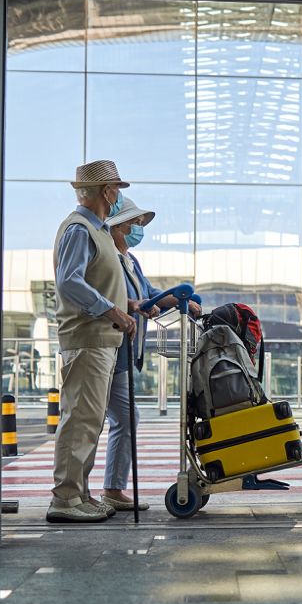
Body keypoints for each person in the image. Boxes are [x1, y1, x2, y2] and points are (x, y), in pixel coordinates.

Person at [48, 159, 138, 524]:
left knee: (90, 421)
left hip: (100, 341)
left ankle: (80, 494)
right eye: (116, 189)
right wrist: (111, 311)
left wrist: (125, 304)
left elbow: (90, 279)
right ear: (107, 191)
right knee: (81, 419)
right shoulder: (79, 229)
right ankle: (65, 499)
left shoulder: (96, 230)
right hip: (88, 339)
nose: (118, 195)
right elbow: (69, 281)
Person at [99, 196, 201, 511]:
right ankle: (108, 490)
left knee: (121, 418)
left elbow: (148, 292)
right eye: (133, 223)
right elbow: (118, 299)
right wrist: (138, 305)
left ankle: (110, 489)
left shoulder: (129, 260)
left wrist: (177, 298)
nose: (137, 228)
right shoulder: (110, 260)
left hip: (127, 353)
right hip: (113, 349)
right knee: (119, 418)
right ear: (116, 226)